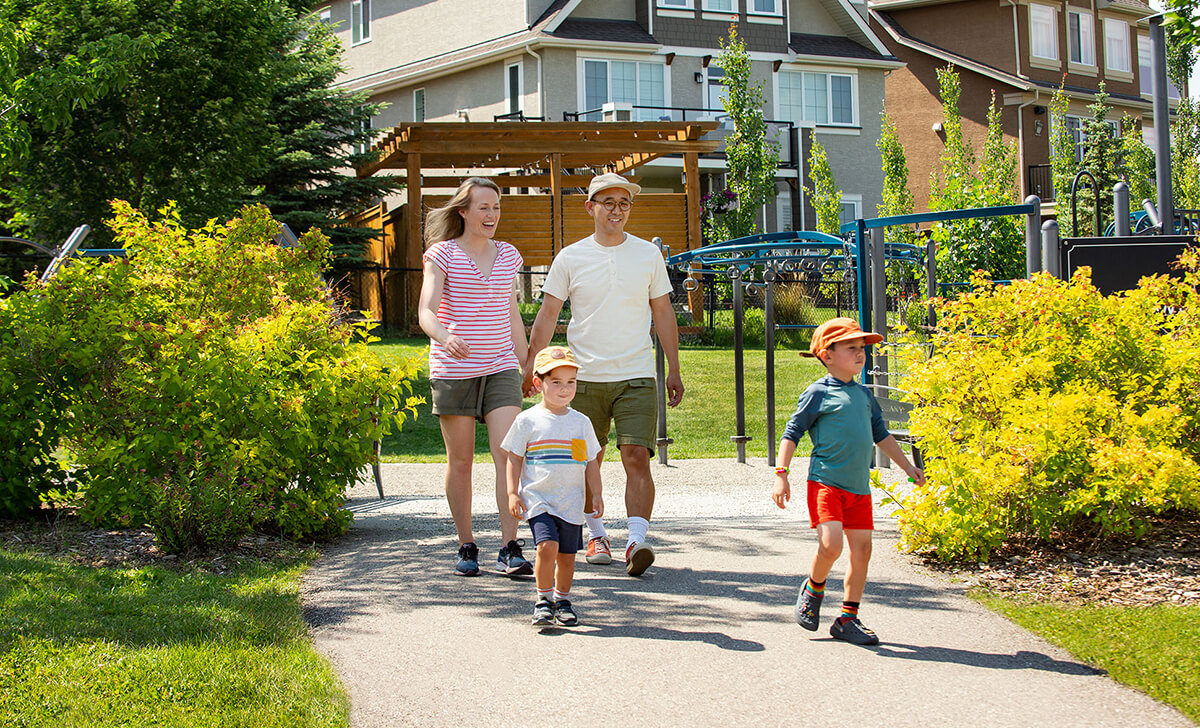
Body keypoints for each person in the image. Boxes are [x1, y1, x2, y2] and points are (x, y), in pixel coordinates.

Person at [523, 173, 683, 577]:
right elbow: (548, 314)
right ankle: (596, 535)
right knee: (584, 460)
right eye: (608, 202)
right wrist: (531, 365)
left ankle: (635, 541)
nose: (617, 210)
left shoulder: (647, 254)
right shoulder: (570, 257)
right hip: (582, 379)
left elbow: (663, 312)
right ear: (590, 207)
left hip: (636, 374)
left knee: (636, 456)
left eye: (624, 203)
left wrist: (674, 368)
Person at [771, 317, 925, 645]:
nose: (860, 353)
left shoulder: (864, 395)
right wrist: (781, 475)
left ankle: (847, 619)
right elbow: (792, 433)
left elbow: (881, 435)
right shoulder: (818, 393)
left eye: (862, 348)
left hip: (858, 488)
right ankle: (813, 588)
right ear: (827, 355)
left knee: (863, 550)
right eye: (851, 347)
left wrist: (908, 467)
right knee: (831, 546)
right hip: (826, 482)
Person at [418, 176, 532, 578]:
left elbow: (511, 312)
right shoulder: (442, 254)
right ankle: (466, 545)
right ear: (463, 211)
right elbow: (426, 311)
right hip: (455, 370)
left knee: (509, 455)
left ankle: (509, 547)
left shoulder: (508, 255)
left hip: (500, 365)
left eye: (496, 207)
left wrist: (527, 362)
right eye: (483, 207)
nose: (492, 214)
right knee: (461, 460)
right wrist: (445, 336)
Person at [503, 346, 603, 626]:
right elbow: (514, 458)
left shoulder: (581, 423)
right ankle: (543, 600)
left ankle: (563, 600)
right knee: (547, 546)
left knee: (567, 558)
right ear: (538, 383)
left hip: (570, 502)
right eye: (556, 382)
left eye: (571, 382)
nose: (565, 389)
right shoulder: (527, 421)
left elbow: (589, 462)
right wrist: (512, 492)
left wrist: (597, 493)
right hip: (539, 500)